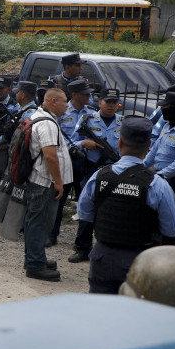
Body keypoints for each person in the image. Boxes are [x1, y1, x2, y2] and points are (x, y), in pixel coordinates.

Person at [74, 117, 175, 293]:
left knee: (99, 314)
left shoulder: (99, 177)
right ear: (148, 147)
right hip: (141, 260)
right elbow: (172, 230)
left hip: (103, 257)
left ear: (120, 143)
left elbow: (84, 213)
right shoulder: (157, 185)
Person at [22, 88, 73, 282]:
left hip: (41, 181)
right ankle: (35, 265)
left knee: (35, 221)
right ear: (52, 102)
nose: (67, 104)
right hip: (44, 182)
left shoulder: (44, 118)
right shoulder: (47, 124)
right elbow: (50, 156)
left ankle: (35, 258)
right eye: (64, 101)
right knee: (40, 223)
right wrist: (58, 182)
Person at [69, 88, 123, 263]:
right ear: (99, 102)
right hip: (92, 170)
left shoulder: (123, 123)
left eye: (114, 103)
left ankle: (107, 249)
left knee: (112, 210)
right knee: (86, 208)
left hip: (114, 171)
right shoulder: (88, 120)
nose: (111, 106)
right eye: (108, 102)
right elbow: (71, 142)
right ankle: (83, 248)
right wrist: (84, 143)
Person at [50, 78, 97, 247]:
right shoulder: (62, 112)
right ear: (74, 94)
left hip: (84, 163)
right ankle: (52, 234)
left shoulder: (91, 113)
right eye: (85, 94)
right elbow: (56, 136)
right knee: (59, 199)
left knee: (85, 202)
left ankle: (82, 243)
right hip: (66, 159)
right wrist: (79, 144)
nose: (89, 96)